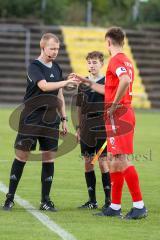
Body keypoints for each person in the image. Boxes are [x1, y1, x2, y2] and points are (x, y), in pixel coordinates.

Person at [72, 27, 147, 220]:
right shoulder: (126, 60)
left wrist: (114, 105)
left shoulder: (116, 60)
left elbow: (124, 80)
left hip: (119, 114)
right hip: (121, 114)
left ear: (108, 42)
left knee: (121, 160)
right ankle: (114, 206)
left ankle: (139, 205)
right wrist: (84, 81)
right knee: (113, 162)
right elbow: (107, 88)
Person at [3, 33, 76, 211]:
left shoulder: (57, 67)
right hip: (31, 118)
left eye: (57, 49)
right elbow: (43, 86)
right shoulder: (34, 67)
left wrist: (64, 118)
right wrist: (65, 82)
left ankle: (45, 200)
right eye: (52, 48)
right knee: (22, 156)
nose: (55, 52)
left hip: (51, 119)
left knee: (49, 158)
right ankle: (9, 198)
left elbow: (59, 95)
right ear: (42, 47)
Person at [76, 51, 111, 210]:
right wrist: (78, 128)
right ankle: (92, 201)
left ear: (101, 64)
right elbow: (78, 107)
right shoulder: (82, 83)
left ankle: (109, 201)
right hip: (86, 127)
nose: (92, 65)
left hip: (102, 127)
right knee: (88, 164)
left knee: (103, 163)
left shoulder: (107, 82)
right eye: (89, 62)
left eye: (95, 62)